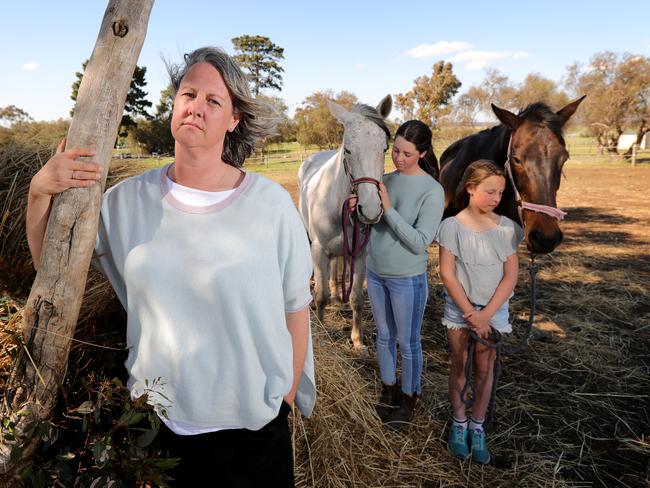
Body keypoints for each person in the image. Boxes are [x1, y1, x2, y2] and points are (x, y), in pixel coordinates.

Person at [26, 47, 315, 487]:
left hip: (253, 433)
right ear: (173, 105)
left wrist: (286, 398)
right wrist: (38, 193)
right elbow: (53, 270)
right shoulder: (124, 203)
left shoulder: (271, 204)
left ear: (234, 118)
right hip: (154, 429)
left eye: (213, 101)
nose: (196, 107)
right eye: (188, 94)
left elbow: (296, 309)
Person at [350, 120, 444, 426]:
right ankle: (388, 389)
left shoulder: (432, 190)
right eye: (395, 151)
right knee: (384, 336)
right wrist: (361, 211)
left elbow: (420, 243)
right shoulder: (383, 180)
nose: (398, 158)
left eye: (406, 153)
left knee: (408, 341)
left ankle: (408, 395)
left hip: (407, 279)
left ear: (423, 153)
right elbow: (375, 225)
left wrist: (388, 209)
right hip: (376, 273)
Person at [437, 159, 523, 464]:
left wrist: (486, 314)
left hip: (494, 310)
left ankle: (478, 424)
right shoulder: (451, 227)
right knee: (460, 366)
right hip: (460, 309)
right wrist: (471, 314)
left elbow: (510, 276)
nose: (496, 198)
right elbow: (447, 274)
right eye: (490, 191)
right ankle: (459, 423)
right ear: (471, 189)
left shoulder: (507, 229)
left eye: (500, 193)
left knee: (485, 369)